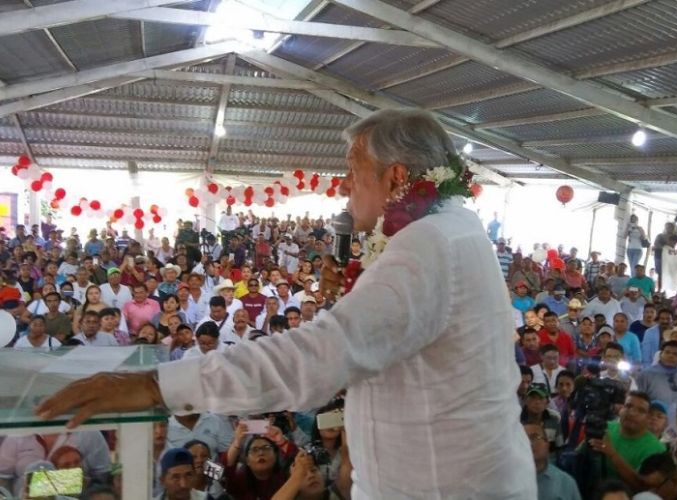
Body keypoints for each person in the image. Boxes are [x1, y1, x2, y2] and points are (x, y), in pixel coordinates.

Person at [36, 108, 537, 499]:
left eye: (353, 171)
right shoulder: (452, 230)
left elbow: (318, 358)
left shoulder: (429, 243)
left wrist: (154, 385)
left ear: (395, 178)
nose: (343, 187)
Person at [637, 340, 677, 425]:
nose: (670, 356)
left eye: (675, 354)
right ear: (660, 355)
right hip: (653, 423)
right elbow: (638, 402)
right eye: (667, 352)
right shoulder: (646, 375)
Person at [523, 422, 581, 500]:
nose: (529, 443)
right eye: (523, 439)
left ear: (547, 444)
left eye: (534, 437)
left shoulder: (565, 482)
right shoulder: (506, 480)